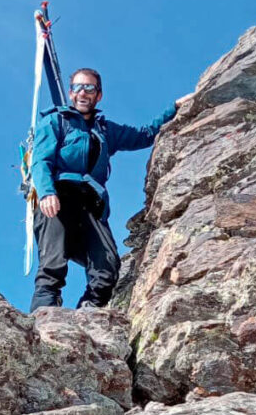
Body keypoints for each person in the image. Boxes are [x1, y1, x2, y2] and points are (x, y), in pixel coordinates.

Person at [28, 69, 177, 311]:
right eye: (77, 87)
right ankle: (42, 317)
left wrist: (175, 109)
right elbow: (41, 160)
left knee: (107, 268)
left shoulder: (105, 130)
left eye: (89, 88)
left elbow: (144, 135)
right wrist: (46, 192)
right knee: (52, 264)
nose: (82, 93)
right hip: (58, 196)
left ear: (99, 95)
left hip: (91, 204)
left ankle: (87, 316)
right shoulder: (55, 121)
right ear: (70, 92)